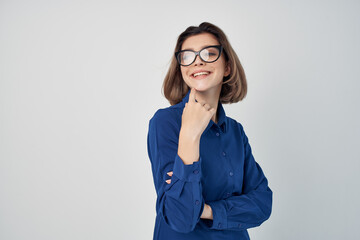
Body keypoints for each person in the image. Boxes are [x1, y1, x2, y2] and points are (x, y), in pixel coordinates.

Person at [147, 22, 272, 240]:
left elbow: (262, 203)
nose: (198, 61)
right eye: (187, 56)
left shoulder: (235, 131)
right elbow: (180, 217)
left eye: (209, 53)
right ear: (181, 69)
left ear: (227, 67)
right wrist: (189, 135)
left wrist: (206, 210)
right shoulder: (165, 122)